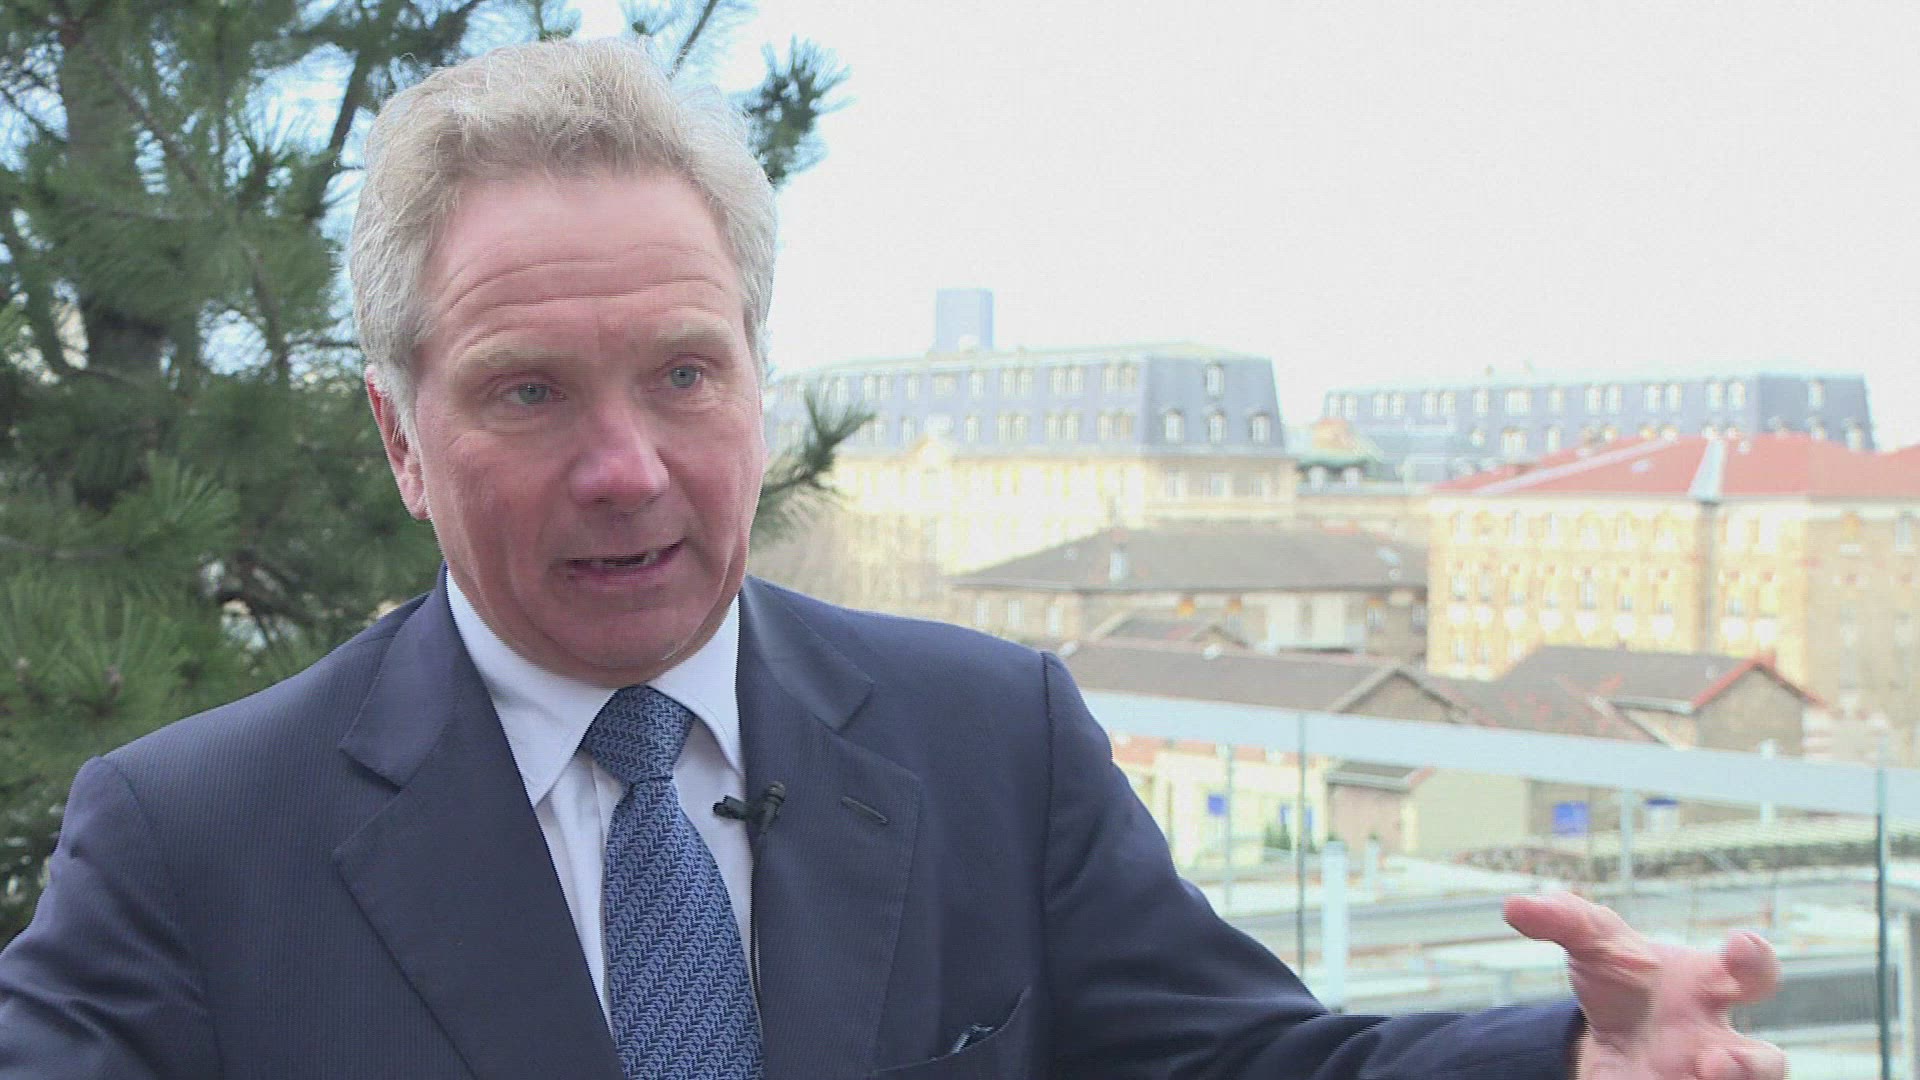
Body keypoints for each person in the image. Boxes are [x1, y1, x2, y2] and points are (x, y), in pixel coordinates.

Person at [0, 38, 1785, 1080]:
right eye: (527, 392)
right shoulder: (189, 838)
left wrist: (1574, 1055)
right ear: (400, 438)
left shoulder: (992, 736)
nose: (627, 469)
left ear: (758, 382)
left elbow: (1244, 1061)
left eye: (684, 374)